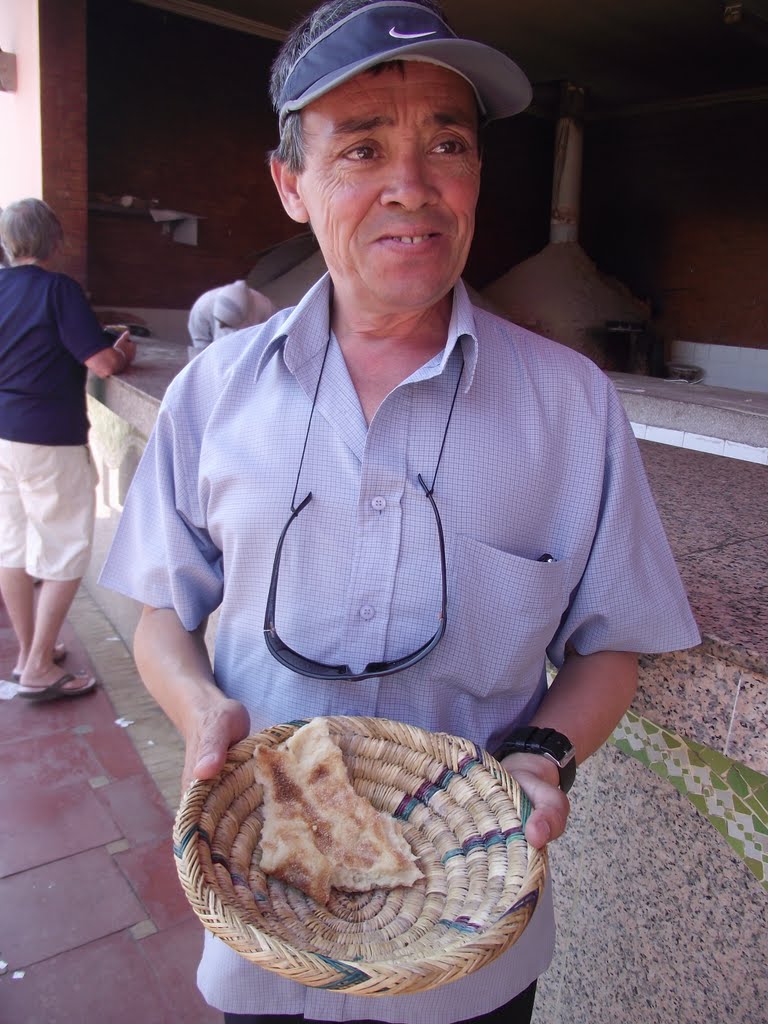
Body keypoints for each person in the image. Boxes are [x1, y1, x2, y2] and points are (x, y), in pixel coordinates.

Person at [100, 1, 701, 1021]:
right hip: (263, 919)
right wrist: (203, 715)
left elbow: (613, 648)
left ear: (475, 176)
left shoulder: (572, 405)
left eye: (447, 144)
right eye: (363, 146)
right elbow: (164, 614)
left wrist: (542, 756)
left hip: (471, 944)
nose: (411, 186)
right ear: (291, 183)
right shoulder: (215, 393)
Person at [0, 197, 136, 701]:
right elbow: (101, 363)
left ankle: (30, 652)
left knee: (11, 546)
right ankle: (36, 667)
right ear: (54, 241)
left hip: (3, 437)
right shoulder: (58, 291)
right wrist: (122, 351)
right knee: (64, 549)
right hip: (47, 439)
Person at [187, 278, 276, 349]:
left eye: (225, 324)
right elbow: (200, 341)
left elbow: (270, 341)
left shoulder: (266, 309)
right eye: (219, 321)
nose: (221, 326)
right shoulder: (202, 306)